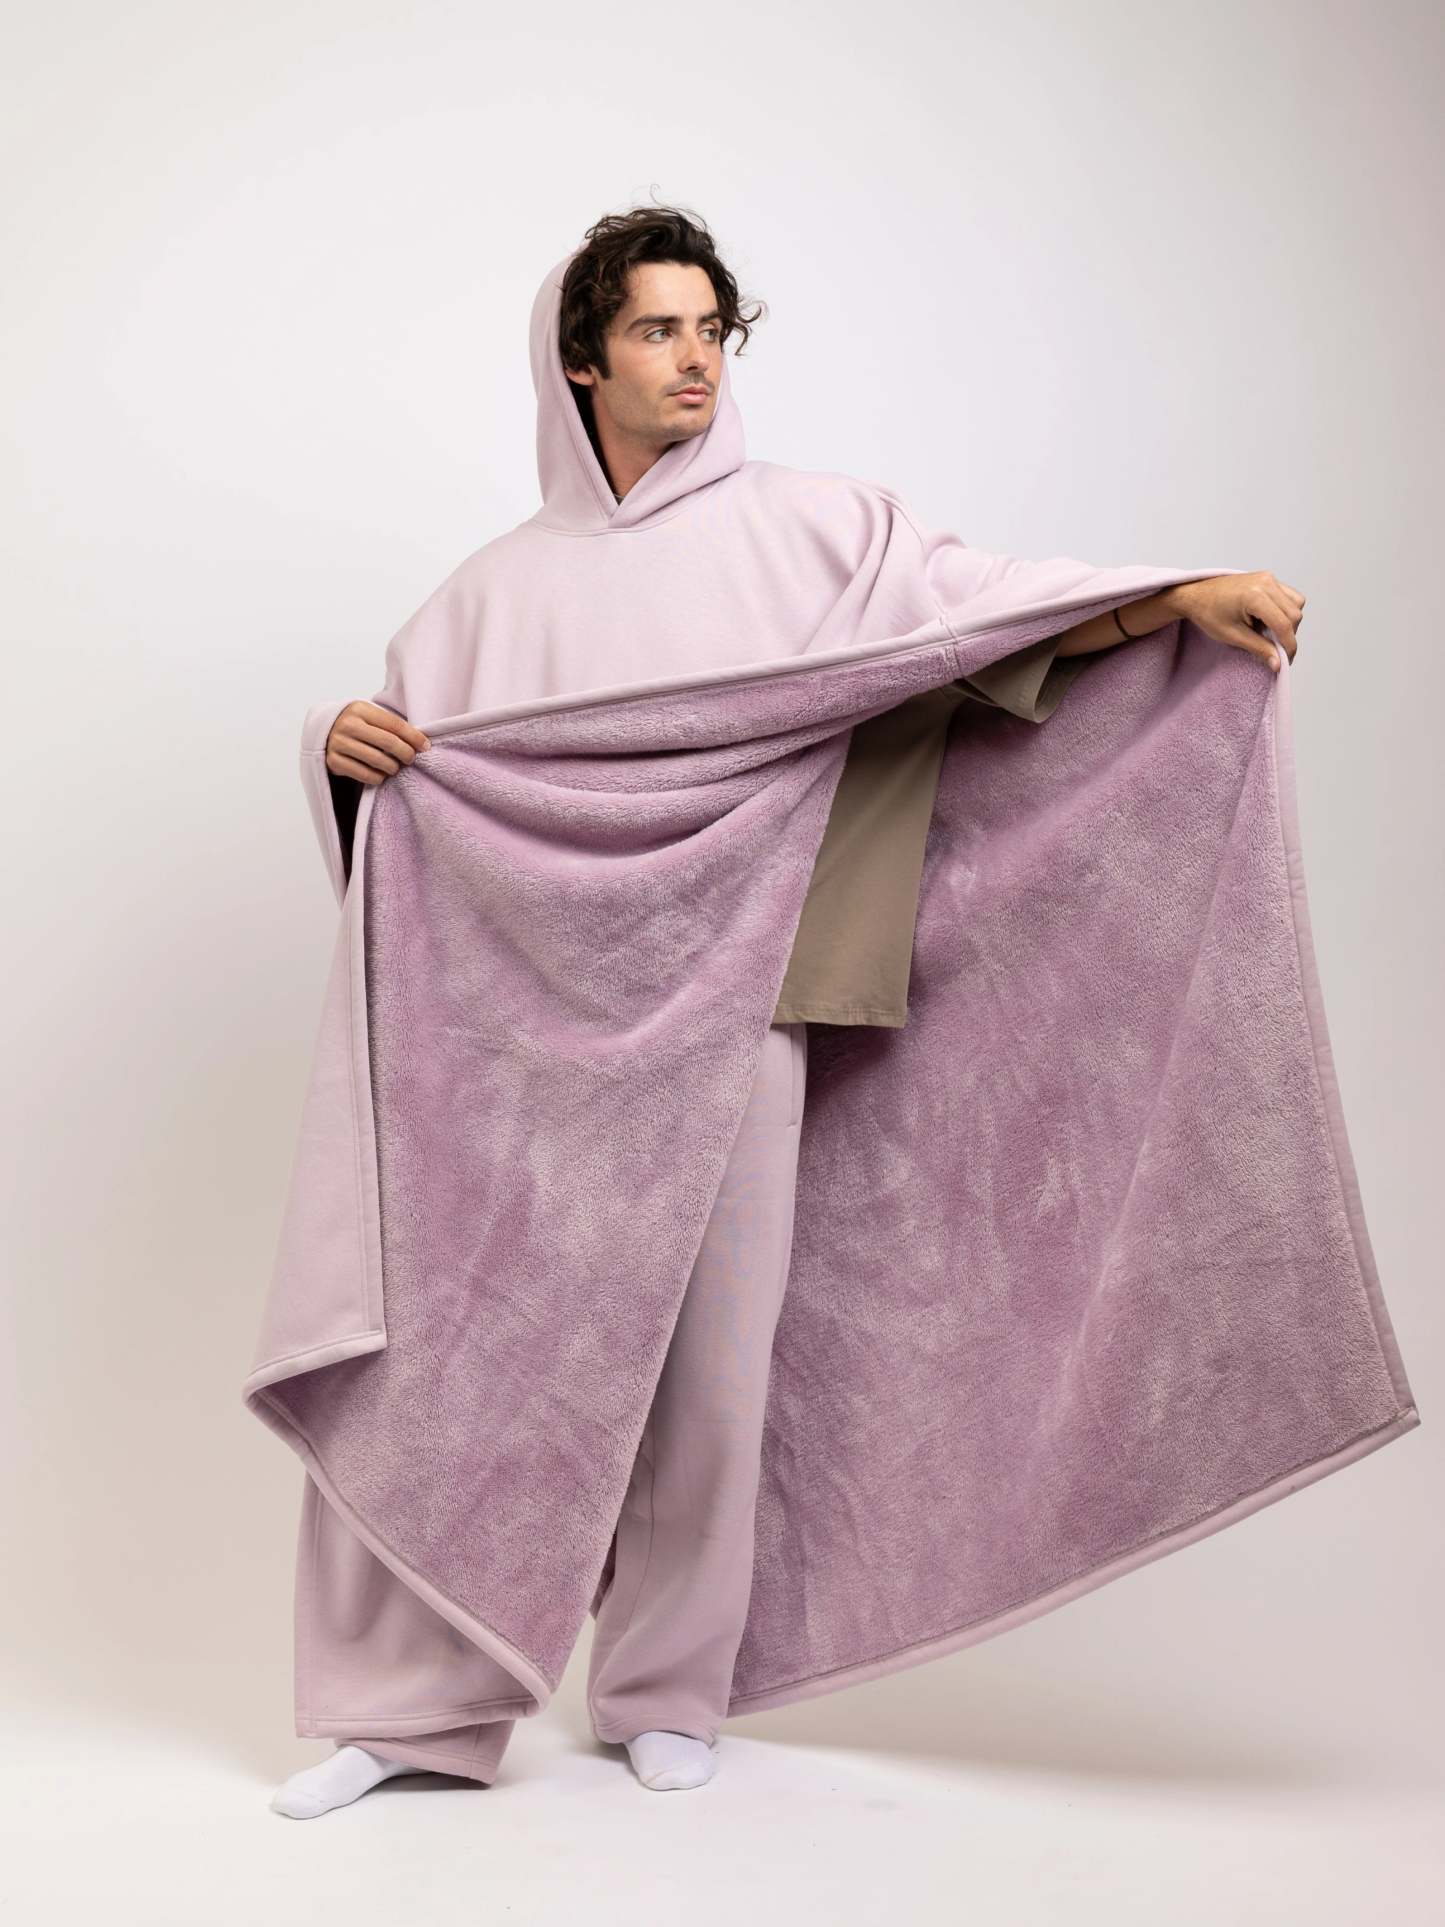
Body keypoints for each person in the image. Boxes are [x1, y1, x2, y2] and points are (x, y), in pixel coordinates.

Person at [270, 204, 1303, 1819]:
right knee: (476, 1361)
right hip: (532, 1049)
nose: (692, 361)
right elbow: (425, 830)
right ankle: (416, 1710)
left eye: (710, 330)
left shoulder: (822, 531)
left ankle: (664, 1690)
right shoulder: (481, 599)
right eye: (655, 331)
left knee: (713, 1368)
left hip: (744, 1004)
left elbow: (982, 623)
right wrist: (341, 752)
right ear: (579, 361)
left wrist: (1174, 599)